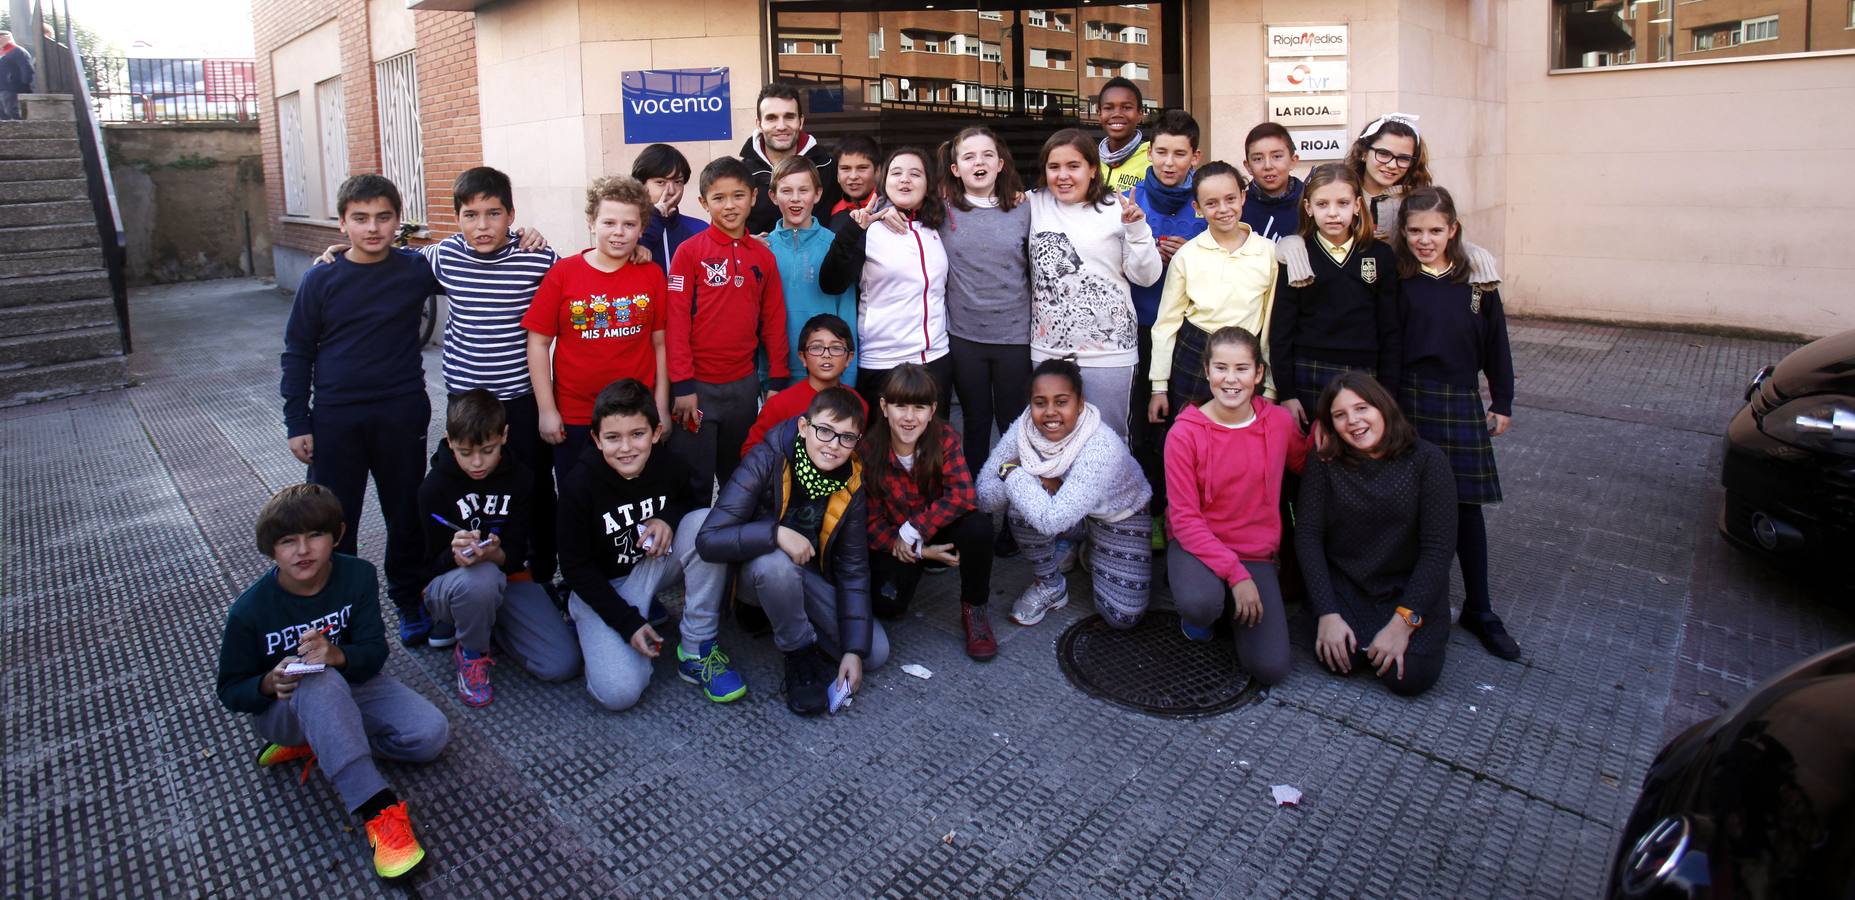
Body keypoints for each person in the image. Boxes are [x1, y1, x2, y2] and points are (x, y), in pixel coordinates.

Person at [216, 484, 449, 881]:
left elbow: (374, 653)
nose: (303, 550)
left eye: (315, 535)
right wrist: (268, 682)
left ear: (337, 534)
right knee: (316, 678)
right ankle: (377, 809)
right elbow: (230, 690)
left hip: (353, 685)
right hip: (286, 708)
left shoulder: (357, 575)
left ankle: (328, 742)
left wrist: (338, 655)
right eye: (288, 541)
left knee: (430, 736)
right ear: (271, 550)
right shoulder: (249, 611)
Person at [281, 174, 437, 646]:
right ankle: (337, 611)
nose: (372, 228)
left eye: (383, 218)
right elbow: (297, 352)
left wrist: (524, 235)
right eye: (360, 218)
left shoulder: (415, 269)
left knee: (405, 512)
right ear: (342, 223)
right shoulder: (320, 279)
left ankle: (409, 598)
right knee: (333, 518)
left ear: (398, 221)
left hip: (401, 412)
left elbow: (476, 260)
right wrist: (297, 421)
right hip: (336, 418)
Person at [697, 388, 888, 717]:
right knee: (776, 565)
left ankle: (788, 616)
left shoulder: (851, 481)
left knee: (874, 653)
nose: (833, 445)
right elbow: (709, 539)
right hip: (757, 572)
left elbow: (853, 567)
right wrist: (776, 533)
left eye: (846, 437)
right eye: (824, 430)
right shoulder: (767, 458)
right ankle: (799, 653)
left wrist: (853, 650)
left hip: (809, 576)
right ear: (803, 427)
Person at [557, 379, 743, 708]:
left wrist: (667, 519)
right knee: (620, 694)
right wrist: (627, 622)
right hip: (602, 586)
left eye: (637, 434)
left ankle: (696, 648)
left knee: (705, 524)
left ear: (656, 433)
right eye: (613, 437)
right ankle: (590, 625)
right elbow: (574, 567)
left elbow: (689, 502)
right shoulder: (579, 485)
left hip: (650, 567)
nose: (626, 447)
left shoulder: (667, 464)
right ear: (596, 439)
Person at [1393, 186, 1521, 661]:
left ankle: (1480, 609)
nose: (1425, 240)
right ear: (1403, 232)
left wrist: (1502, 399)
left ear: (1453, 230)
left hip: (1461, 400)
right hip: (1409, 400)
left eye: (1435, 231)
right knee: (1412, 507)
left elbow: (1496, 343)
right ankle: (1415, 600)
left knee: (1467, 509)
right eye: (1415, 231)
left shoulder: (1477, 283)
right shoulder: (1398, 280)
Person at [1164, 327, 1308, 686]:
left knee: (1270, 668)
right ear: (1207, 370)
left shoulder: (1278, 423)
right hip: (1198, 545)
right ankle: (1207, 610)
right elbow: (1184, 520)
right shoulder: (1184, 433)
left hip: (1254, 553)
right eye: (1221, 368)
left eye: (1242, 369)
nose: (1231, 379)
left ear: (1258, 374)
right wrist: (1236, 575)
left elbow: (1304, 463)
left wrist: (1328, 436)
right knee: (1201, 604)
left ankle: (1232, 606)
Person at [416, 390, 581, 705]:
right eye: (465, 452)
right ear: (450, 441)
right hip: (450, 586)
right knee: (482, 579)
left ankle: (489, 625)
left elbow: (517, 554)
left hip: (507, 578)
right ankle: (471, 653)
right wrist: (453, 555)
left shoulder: (520, 478)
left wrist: (496, 553)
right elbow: (426, 566)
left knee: (562, 663)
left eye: (488, 450)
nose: (477, 462)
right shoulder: (434, 487)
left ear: (504, 436)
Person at [1298, 372, 1456, 696]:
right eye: (1340, 415)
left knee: (1408, 677)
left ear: (1383, 407)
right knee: (1341, 659)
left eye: (1362, 408)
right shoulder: (1325, 459)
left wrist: (1402, 624)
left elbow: (1438, 549)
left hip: (1406, 586)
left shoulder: (1428, 460)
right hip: (1349, 584)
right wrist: (1327, 612)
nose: (1353, 421)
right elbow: (1308, 536)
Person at [978, 359, 1153, 628]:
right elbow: (984, 497)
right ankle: (1051, 585)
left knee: (1122, 616)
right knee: (1022, 503)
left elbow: (1052, 520)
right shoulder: (1023, 429)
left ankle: (1091, 545)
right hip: (1066, 509)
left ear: (1080, 403)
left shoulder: (1101, 445)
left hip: (1118, 514)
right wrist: (1021, 476)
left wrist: (1013, 471)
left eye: (1061, 402)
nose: (1050, 412)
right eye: (1040, 403)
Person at [523, 175, 670, 484]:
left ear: (642, 228)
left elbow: (660, 344)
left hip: (636, 414)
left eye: (629, 224)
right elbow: (538, 343)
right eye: (609, 222)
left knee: (634, 494)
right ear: (591, 222)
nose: (619, 232)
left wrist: (660, 406)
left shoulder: (652, 274)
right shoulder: (563, 274)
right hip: (577, 414)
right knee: (578, 495)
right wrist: (546, 410)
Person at [666, 156, 791, 505]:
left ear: (753, 197)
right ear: (704, 203)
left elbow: (774, 321)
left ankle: (732, 535)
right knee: (694, 479)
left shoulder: (763, 257)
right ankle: (691, 538)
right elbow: (676, 321)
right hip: (697, 389)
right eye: (718, 198)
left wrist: (777, 381)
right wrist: (682, 385)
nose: (730, 205)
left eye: (738, 195)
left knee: (738, 476)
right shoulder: (689, 253)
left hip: (743, 387)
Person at [1027, 129, 1162, 437]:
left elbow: (1146, 276)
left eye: (1073, 166)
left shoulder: (1116, 207)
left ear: (1092, 169)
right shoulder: (1032, 204)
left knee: (1110, 440)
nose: (1063, 175)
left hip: (1109, 353)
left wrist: (1137, 229)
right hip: (1049, 351)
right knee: (1053, 438)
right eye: (1054, 167)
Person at [861, 364, 997, 659]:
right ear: (884, 407)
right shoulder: (869, 450)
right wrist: (919, 550)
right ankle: (917, 566)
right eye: (900, 406)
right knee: (888, 607)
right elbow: (870, 522)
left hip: (933, 525)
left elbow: (962, 495)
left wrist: (916, 529)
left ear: (932, 410)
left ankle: (975, 609)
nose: (909, 417)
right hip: (898, 539)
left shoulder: (944, 438)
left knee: (979, 527)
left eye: (919, 407)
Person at [1275, 113, 1499, 289]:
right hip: (1351, 292)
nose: (1392, 165)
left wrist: (1469, 250)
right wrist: (1291, 244)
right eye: (1383, 154)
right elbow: (1307, 232)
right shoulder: (1340, 193)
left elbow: (1439, 237)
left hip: (1405, 291)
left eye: (1403, 158)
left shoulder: (1417, 200)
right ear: (1364, 152)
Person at [1268, 163, 1401, 430]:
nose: (1332, 213)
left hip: (1365, 372)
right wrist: (1287, 393)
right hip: (1309, 371)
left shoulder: (1380, 255)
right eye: (1322, 204)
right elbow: (1281, 330)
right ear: (1308, 208)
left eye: (1342, 203)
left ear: (1357, 205)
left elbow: (1391, 331)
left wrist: (1387, 392)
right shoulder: (1298, 255)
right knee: (1311, 448)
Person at [819, 146, 952, 414]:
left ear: (928, 183)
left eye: (915, 174)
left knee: (936, 438)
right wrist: (855, 229)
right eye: (897, 173)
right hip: (882, 361)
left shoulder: (941, 226)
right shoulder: (869, 228)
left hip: (935, 358)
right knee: (880, 439)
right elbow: (831, 282)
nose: (905, 180)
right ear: (884, 181)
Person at [1128, 109, 1208, 546]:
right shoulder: (1128, 200)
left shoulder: (1208, 200)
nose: (1169, 162)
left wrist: (1192, 252)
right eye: (1161, 152)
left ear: (1195, 156)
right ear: (1149, 153)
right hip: (1140, 329)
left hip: (1191, 334)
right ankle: (1153, 512)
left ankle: (1189, 516)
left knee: (1188, 428)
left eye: (1180, 154)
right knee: (1145, 429)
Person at [1147, 161, 1278, 424]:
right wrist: (1158, 387)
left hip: (1247, 356)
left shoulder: (1268, 253)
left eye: (1230, 199)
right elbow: (1166, 323)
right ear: (1197, 208)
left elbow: (1271, 326)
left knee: (1242, 435)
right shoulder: (1187, 255)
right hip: (1195, 353)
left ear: (1243, 197)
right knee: (1191, 431)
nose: (1223, 209)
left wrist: (1271, 386)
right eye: (1211, 203)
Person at [941, 126, 1034, 473]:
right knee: (975, 420)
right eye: (969, 157)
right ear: (956, 169)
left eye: (987, 155)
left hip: (1015, 336)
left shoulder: (1026, 208)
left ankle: (1014, 493)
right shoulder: (941, 211)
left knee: (1013, 421)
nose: (978, 162)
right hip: (965, 337)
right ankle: (976, 493)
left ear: (1000, 164)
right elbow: (899, 198)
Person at [764, 156, 858, 392]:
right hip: (776, 377)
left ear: (817, 194)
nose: (795, 198)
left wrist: (848, 380)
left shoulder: (835, 246)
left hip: (828, 374)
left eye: (803, 190)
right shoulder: (763, 250)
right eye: (786, 191)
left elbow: (847, 315)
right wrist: (762, 376)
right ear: (773, 196)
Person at [743, 313, 867, 456]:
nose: (826, 354)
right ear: (803, 357)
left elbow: (859, 453)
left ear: (849, 358)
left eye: (836, 348)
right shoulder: (779, 405)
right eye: (816, 347)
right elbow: (751, 452)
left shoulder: (858, 403)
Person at [739, 83, 840, 234]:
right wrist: (744, 241)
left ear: (801, 122)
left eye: (789, 117)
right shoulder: (742, 174)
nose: (781, 126)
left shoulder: (827, 167)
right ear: (759, 124)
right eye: (771, 118)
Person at [633, 143, 706, 277]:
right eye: (661, 182)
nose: (671, 191)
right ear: (641, 185)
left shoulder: (699, 229)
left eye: (678, 182)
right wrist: (655, 217)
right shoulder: (628, 230)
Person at [1239, 123, 1304, 240]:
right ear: (1248, 166)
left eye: (1277, 156)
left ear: (1293, 161)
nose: (1268, 166)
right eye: (1258, 159)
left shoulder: (1309, 203)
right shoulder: (1238, 207)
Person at [1096, 76, 1149, 194]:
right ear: (1099, 114)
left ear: (1140, 114)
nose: (1117, 114)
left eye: (1126, 107)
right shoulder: (1089, 160)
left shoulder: (1153, 160)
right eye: (1108, 108)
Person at [828, 134, 881, 230]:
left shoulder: (889, 209)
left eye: (862, 168)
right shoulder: (835, 212)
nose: (853, 176)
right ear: (837, 174)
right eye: (845, 168)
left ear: (877, 172)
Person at [0, 31, 33, 121]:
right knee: (2, 114)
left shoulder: (18, 51)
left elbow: (27, 69)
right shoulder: (2, 52)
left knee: (11, 111)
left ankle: (23, 127)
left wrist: (24, 85)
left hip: (12, 88)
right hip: (2, 88)